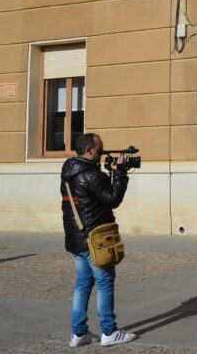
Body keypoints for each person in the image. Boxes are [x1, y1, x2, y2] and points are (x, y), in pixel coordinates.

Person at [60, 133, 137, 347]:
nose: (103, 151)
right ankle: (109, 332)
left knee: (82, 284)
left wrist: (110, 173)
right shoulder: (92, 175)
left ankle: (78, 333)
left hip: (76, 237)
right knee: (104, 282)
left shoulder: (69, 171)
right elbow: (112, 199)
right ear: (90, 151)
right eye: (100, 148)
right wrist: (120, 174)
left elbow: (93, 199)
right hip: (96, 239)